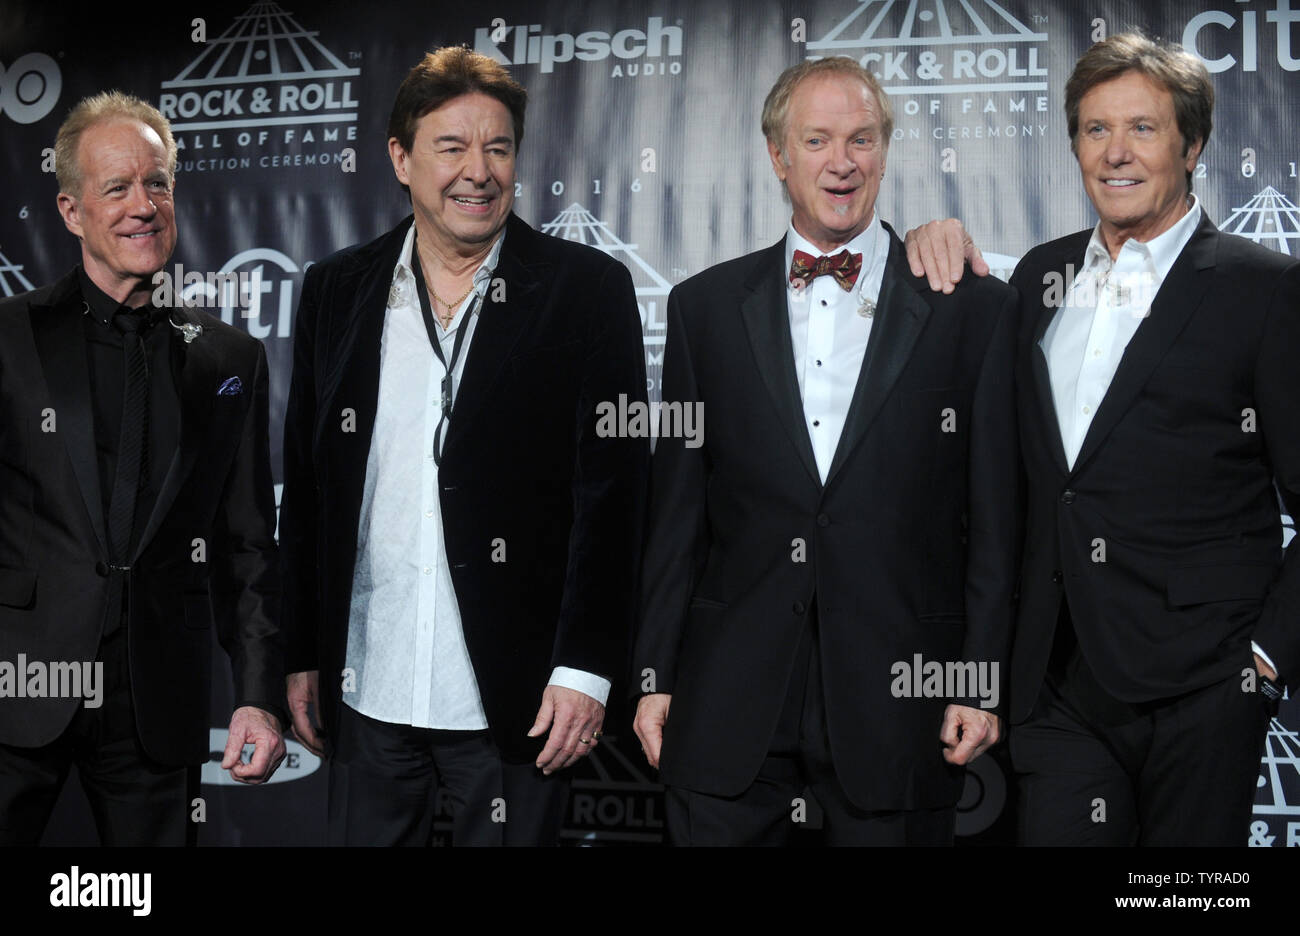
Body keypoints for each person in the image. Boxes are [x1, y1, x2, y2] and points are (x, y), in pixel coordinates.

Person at [905, 33, 1300, 845]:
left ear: (1192, 145)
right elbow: (1007, 496)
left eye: (1143, 129)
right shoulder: (1038, 281)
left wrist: (1263, 661)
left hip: (1201, 684)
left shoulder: (1264, 289)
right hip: (1054, 685)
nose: (1116, 153)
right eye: (1094, 130)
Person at [631, 57, 1019, 846]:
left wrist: (979, 680)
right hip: (728, 699)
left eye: (861, 139)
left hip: (901, 703)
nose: (842, 161)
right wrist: (654, 676)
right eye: (817, 140)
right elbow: (676, 513)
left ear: (884, 153)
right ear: (779, 156)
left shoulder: (970, 305)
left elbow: (996, 516)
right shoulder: (702, 307)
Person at [278, 47, 649, 846]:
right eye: (450, 148)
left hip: (518, 699)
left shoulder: (587, 291)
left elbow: (615, 503)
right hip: (367, 691)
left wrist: (585, 670)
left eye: (499, 148)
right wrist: (301, 650)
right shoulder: (336, 288)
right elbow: (308, 490)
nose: (477, 172)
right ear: (401, 158)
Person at [0, 91, 286, 845]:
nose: (142, 206)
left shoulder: (228, 359)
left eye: (156, 183)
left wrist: (257, 694)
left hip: (154, 701)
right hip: (18, 682)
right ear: (71, 212)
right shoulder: (9, 336)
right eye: (116, 187)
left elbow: (248, 543)